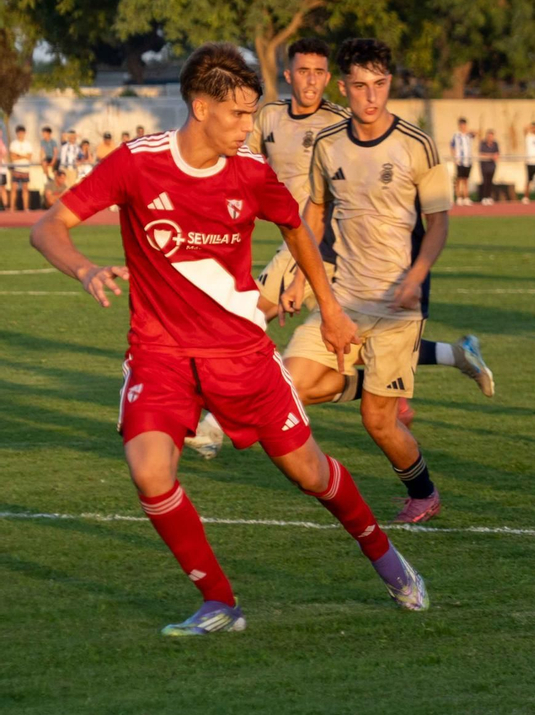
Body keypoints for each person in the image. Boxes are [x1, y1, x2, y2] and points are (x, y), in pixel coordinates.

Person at [27, 41, 428, 636]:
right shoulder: (137, 163)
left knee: (310, 474)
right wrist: (85, 269)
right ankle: (219, 603)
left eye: (251, 114)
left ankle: (387, 559)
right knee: (150, 472)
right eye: (239, 114)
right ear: (200, 107)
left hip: (242, 355)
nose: (248, 126)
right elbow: (47, 227)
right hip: (160, 353)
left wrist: (329, 307)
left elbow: (296, 230)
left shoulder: (251, 173)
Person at [185, 36, 495, 461]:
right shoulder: (270, 118)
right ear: (289, 75)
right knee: (334, 353)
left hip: (325, 250)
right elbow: (239, 163)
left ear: (330, 79)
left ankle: (213, 424)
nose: (311, 81)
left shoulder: (345, 123)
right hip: (299, 243)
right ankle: (444, 359)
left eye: (319, 73)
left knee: (250, 317)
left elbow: (370, 194)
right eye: (303, 72)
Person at [281, 38, 454, 525]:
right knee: (288, 386)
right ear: (344, 87)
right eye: (360, 86)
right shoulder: (328, 144)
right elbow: (314, 215)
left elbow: (438, 223)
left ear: (389, 83)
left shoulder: (417, 144)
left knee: (378, 422)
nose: (371, 96)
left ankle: (424, 493)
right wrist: (296, 277)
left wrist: (416, 277)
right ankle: (369, 380)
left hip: (398, 305)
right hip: (343, 300)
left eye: (379, 84)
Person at [9, 126, 36, 211]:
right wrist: (23, 156)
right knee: (14, 188)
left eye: (22, 133)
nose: (20, 135)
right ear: (17, 134)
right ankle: (12, 208)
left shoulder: (28, 144)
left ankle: (26, 208)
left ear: (24, 133)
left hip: (25, 169)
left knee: (25, 189)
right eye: (19, 133)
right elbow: (12, 157)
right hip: (16, 169)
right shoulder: (13, 144)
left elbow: (29, 157)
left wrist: (18, 155)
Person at [450, 118, 475, 204]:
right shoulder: (456, 135)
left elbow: (477, 133)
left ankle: (466, 197)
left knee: (466, 180)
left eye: (464, 125)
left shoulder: (469, 135)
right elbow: (452, 146)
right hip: (460, 160)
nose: (463, 126)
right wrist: (454, 157)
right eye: (461, 125)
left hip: (468, 160)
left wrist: (469, 131)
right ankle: (459, 197)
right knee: (459, 179)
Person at [477, 128, 501, 205]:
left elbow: (497, 154)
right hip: (484, 166)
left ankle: (489, 196)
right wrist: (491, 156)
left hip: (492, 166)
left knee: (490, 182)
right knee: (485, 182)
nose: (490, 138)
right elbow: (481, 154)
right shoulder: (483, 144)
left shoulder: (495, 144)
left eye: (491, 136)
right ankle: (484, 197)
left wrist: (493, 156)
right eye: (489, 136)